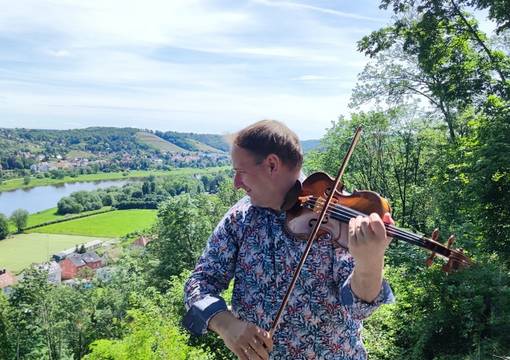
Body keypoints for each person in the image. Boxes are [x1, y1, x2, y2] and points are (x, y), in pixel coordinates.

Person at [183, 120, 395, 359]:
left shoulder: (333, 219)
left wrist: (370, 263)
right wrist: (225, 323)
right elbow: (199, 283)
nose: (236, 184)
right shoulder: (240, 218)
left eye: (241, 173)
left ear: (272, 165)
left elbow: (358, 307)